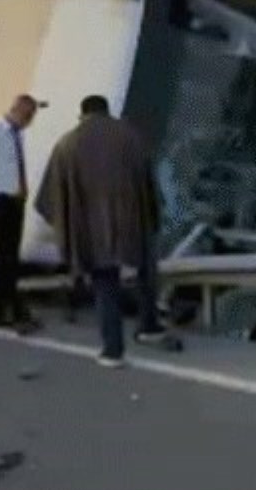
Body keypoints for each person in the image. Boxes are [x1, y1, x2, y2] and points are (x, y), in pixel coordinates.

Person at [36, 95, 176, 368]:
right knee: (146, 271)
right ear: (107, 111)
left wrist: (68, 225)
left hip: (91, 230)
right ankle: (149, 326)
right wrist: (151, 217)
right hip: (133, 223)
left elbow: (48, 200)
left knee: (105, 284)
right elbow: (149, 184)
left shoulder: (67, 144)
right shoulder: (131, 137)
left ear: (83, 115)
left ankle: (113, 351)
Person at [0, 94, 42, 333]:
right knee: (6, 260)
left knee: (9, 259)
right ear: (18, 111)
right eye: (28, 116)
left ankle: (5, 311)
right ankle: (7, 312)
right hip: (0, 201)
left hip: (14, 202)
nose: (30, 121)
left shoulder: (17, 135)